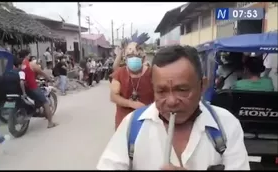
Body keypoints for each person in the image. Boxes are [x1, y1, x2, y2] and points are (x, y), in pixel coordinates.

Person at [97, 45, 250, 170]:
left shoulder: (226, 125)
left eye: (182, 90)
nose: (171, 101)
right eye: (161, 91)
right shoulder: (132, 126)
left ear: (202, 86)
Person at [110, 38, 154, 130]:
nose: (134, 58)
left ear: (143, 58)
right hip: (124, 122)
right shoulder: (120, 73)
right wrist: (131, 104)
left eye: (137, 56)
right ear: (125, 58)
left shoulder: (152, 74)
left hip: (147, 122)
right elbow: (113, 97)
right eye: (130, 56)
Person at [19, 49, 58, 128]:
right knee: (45, 102)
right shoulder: (31, 64)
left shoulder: (20, 64)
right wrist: (50, 79)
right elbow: (42, 73)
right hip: (32, 87)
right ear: (27, 55)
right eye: (29, 55)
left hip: (24, 88)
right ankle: (50, 123)